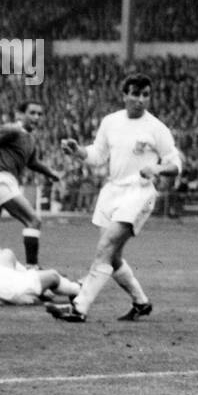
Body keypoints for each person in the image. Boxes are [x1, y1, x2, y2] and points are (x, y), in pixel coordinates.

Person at [47, 73, 182, 322]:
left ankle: (79, 307)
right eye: (135, 94)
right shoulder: (110, 122)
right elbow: (97, 155)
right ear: (124, 95)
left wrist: (158, 168)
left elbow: (175, 165)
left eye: (145, 95)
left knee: (105, 247)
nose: (140, 100)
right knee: (113, 255)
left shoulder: (157, 128)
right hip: (113, 191)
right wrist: (78, 151)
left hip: (139, 192)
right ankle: (141, 302)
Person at [0, 101, 62, 268]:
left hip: (4, 181)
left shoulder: (30, 138)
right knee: (33, 220)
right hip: (0, 179)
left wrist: (49, 172)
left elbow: (32, 162)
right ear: (20, 115)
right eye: (32, 113)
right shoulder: (12, 130)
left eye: (40, 114)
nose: (37, 117)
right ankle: (32, 267)